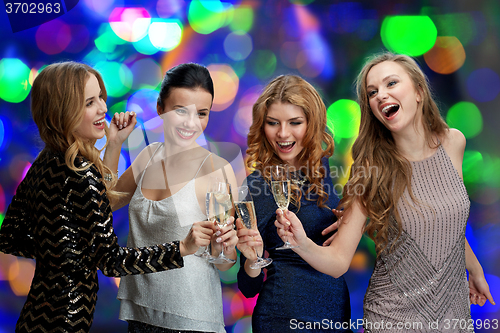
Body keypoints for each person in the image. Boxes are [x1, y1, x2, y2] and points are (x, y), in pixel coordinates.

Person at [275, 53, 496, 332]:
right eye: (372, 92)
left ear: (418, 91)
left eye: (391, 83)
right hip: (393, 318)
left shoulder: (454, 142)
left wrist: (474, 270)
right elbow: (338, 262)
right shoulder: (371, 171)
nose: (381, 95)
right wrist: (301, 241)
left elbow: (445, 222)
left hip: (454, 316)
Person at [0, 61, 209, 333]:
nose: (102, 108)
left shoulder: (46, 162)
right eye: (89, 102)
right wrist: (182, 248)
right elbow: (111, 262)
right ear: (63, 111)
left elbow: (10, 236)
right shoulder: (81, 174)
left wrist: (62, 249)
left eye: (100, 96)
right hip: (66, 320)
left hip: (34, 316)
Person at [106, 63, 239, 333]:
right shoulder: (148, 155)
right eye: (181, 111)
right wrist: (115, 143)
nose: (191, 123)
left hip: (190, 319)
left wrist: (225, 246)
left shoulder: (217, 170)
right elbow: (105, 203)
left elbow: (225, 262)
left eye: (202, 113)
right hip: (140, 312)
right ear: (160, 109)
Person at [236, 75, 352, 332]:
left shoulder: (329, 170)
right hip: (282, 318)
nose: (283, 133)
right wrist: (253, 259)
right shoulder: (258, 185)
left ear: (312, 123)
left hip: (336, 316)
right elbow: (247, 287)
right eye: (273, 123)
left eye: (295, 122)